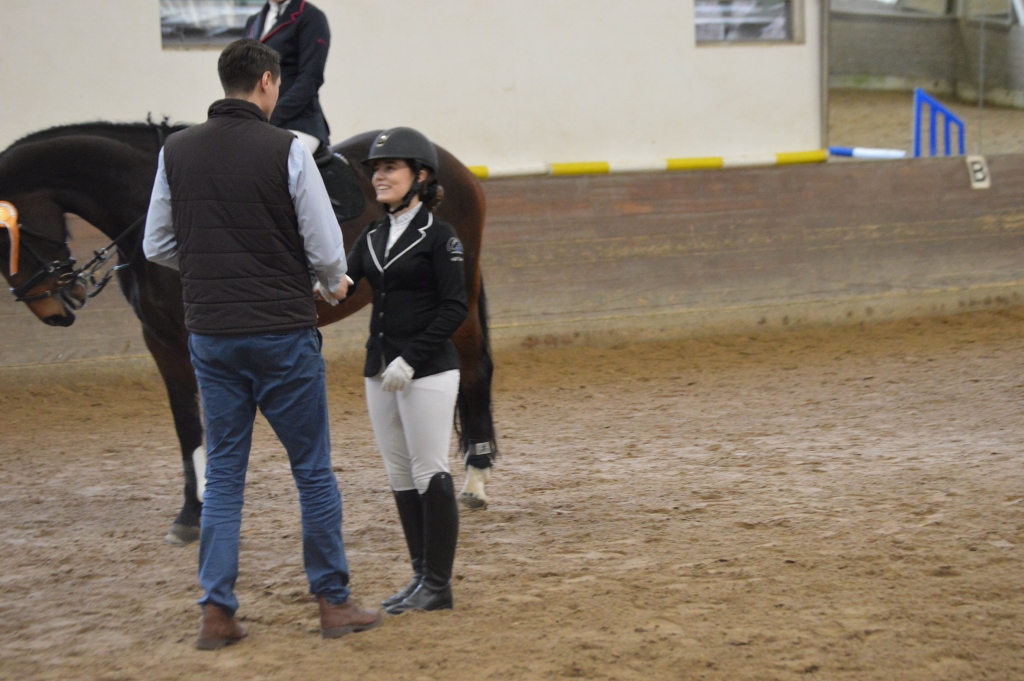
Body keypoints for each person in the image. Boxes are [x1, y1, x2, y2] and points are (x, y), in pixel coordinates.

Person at [142, 38, 382, 649]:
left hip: (211, 336)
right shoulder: (289, 148)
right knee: (312, 472)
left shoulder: (176, 150)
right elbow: (324, 244)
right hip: (281, 332)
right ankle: (333, 603)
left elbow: (156, 245)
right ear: (268, 83)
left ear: (225, 81)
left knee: (224, 475)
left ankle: (216, 613)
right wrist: (330, 280)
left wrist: (213, 269)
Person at [343, 127, 467, 614]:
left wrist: (412, 357)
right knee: (399, 472)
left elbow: (454, 307)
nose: (379, 176)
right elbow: (345, 283)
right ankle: (420, 577)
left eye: (390, 167)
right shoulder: (373, 235)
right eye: (376, 168)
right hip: (379, 368)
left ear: (420, 176)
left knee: (429, 467)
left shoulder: (440, 236)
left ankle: (439, 583)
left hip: (428, 369)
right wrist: (321, 280)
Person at [245, 0, 331, 154]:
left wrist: (268, 116)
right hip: (257, 120)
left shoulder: (311, 16)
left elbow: (310, 79)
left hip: (298, 122)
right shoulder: (254, 21)